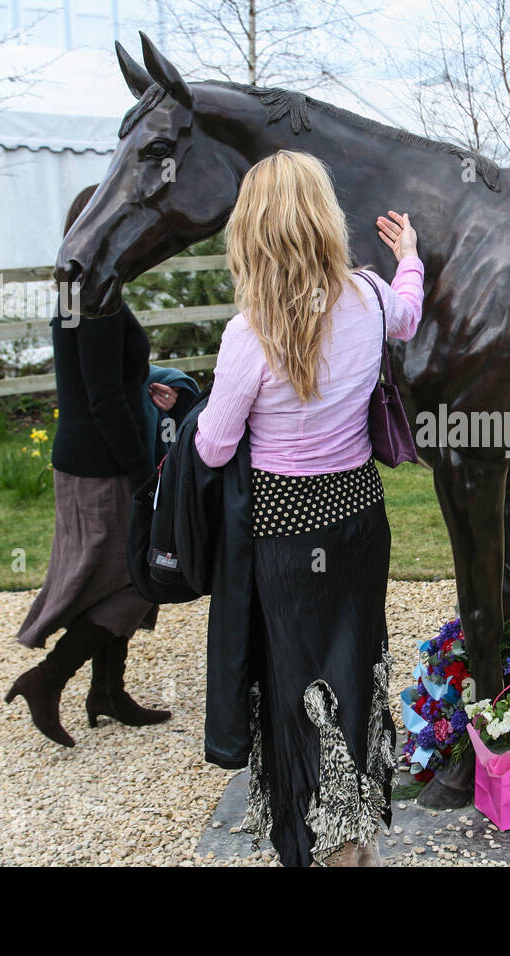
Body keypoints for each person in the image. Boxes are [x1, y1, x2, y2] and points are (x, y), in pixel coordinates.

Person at [195, 149, 423, 867]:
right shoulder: (368, 296)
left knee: (295, 687)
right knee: (354, 671)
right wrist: (409, 255)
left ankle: (316, 846)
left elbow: (212, 447)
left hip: (283, 531)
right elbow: (410, 316)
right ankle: (353, 836)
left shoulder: (248, 334)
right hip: (359, 514)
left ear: (252, 231)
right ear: (324, 218)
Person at [7, 186, 171, 747]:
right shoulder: (94, 302)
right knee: (135, 577)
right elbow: (101, 399)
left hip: (90, 459)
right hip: (101, 466)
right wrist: (143, 474)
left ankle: (108, 691)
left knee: (121, 576)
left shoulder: (83, 291)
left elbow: (104, 383)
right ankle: (48, 678)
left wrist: (148, 386)